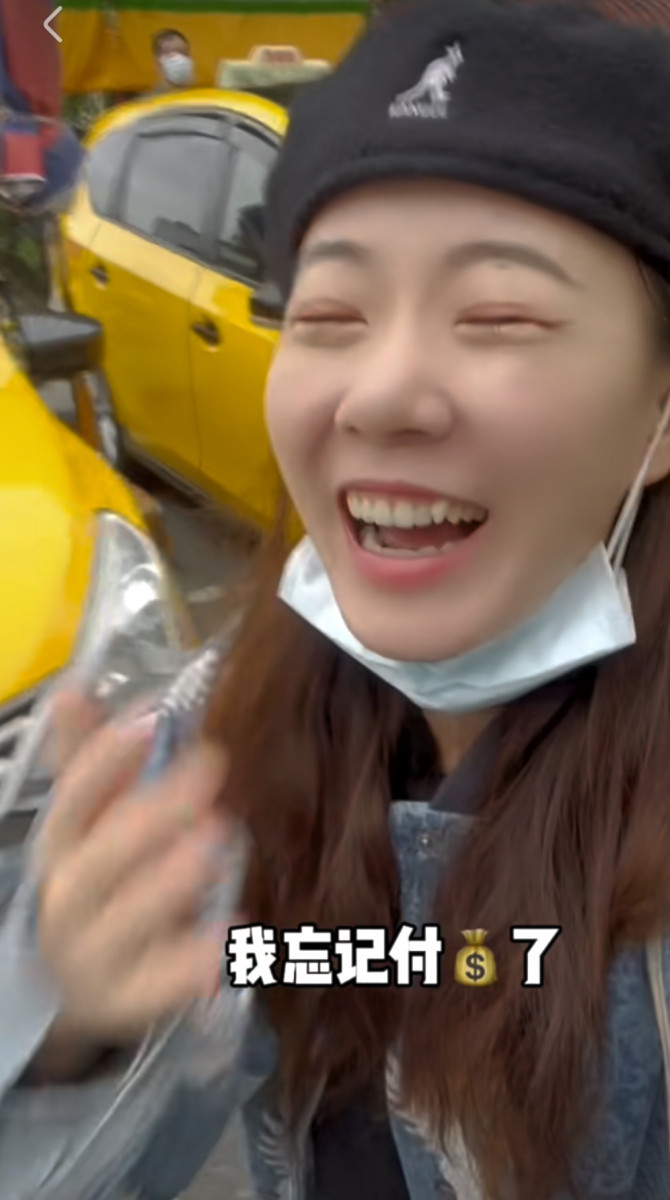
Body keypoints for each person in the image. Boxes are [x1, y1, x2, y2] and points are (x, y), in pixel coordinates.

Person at [3, 0, 670, 1197]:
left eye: (498, 315)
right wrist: (78, 1033)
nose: (379, 393)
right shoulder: (218, 742)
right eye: (328, 316)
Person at [151, 28, 195, 92]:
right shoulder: (153, 98)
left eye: (182, 52)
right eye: (168, 52)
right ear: (157, 63)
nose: (177, 57)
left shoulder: (202, 97)